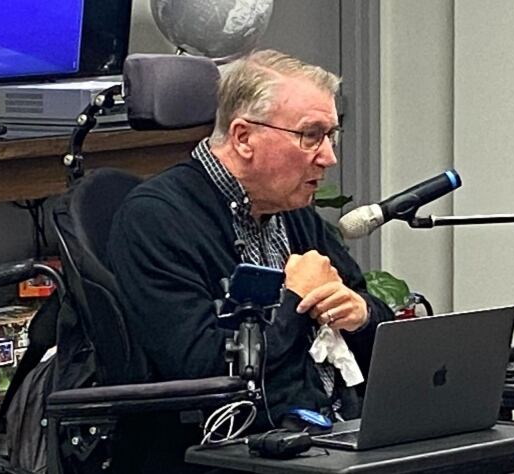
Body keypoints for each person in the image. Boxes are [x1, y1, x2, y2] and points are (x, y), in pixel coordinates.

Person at [107, 49, 393, 472]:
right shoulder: (156, 218)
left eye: (331, 135)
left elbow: (371, 318)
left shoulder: (293, 212)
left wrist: (360, 314)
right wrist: (294, 298)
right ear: (243, 137)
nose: (329, 156)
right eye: (310, 135)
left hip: (327, 439)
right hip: (231, 452)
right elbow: (202, 366)